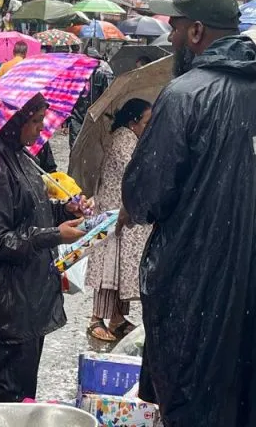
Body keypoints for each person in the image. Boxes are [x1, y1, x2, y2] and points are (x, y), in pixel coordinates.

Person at [124, 0, 256, 427]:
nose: (169, 36)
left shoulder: (186, 94)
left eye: (175, 26)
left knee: (199, 402)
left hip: (198, 289)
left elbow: (145, 193)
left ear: (196, 32)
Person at [0, 94, 86, 404]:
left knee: (23, 390)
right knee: (9, 395)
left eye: (42, 120)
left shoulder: (22, 156)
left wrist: (64, 211)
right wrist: (54, 235)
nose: (40, 129)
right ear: (15, 120)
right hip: (8, 303)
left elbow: (32, 211)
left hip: (29, 295)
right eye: (34, 121)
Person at [86, 98, 153, 342]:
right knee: (108, 268)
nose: (149, 126)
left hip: (119, 214)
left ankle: (116, 319)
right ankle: (96, 319)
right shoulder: (124, 139)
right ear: (134, 122)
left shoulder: (129, 137)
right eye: (147, 122)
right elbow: (135, 171)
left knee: (118, 269)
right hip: (112, 215)